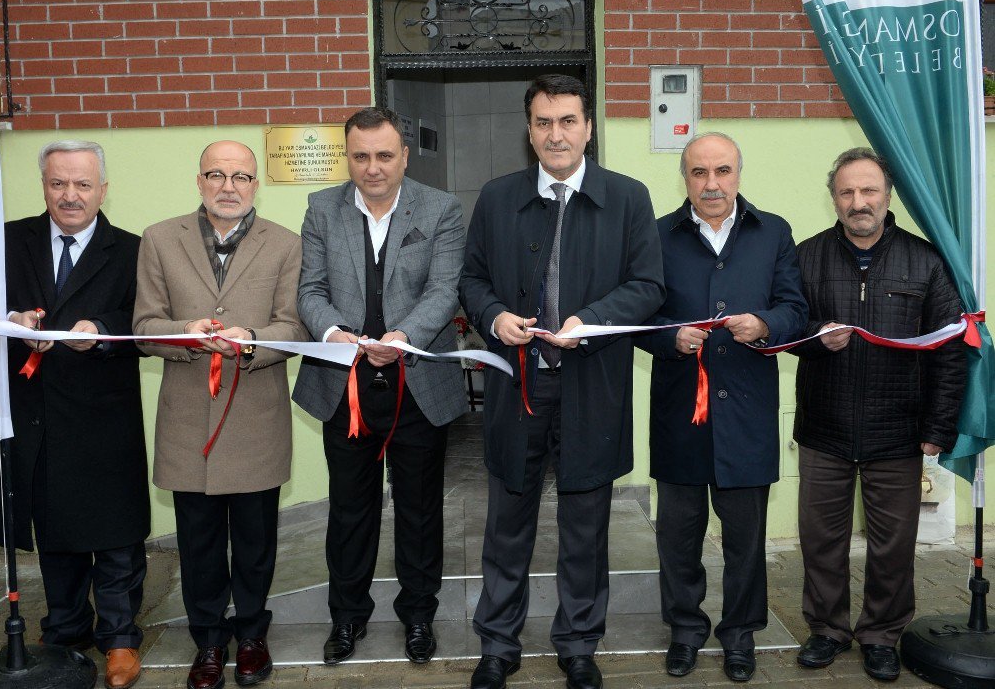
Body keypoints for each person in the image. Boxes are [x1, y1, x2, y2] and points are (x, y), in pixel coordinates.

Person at [459, 74, 665, 689]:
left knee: (585, 525)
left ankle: (578, 643)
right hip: (516, 383)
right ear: (529, 131)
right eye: (544, 122)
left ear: (589, 127)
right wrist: (494, 316)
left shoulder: (627, 198)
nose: (556, 134)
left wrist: (595, 321)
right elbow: (470, 281)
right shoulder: (497, 198)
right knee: (507, 522)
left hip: (591, 384)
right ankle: (498, 644)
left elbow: (649, 285)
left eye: (568, 120)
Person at [292, 107, 466, 665]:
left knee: (419, 510)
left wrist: (405, 334)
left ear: (404, 156)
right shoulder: (322, 208)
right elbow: (310, 289)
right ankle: (347, 617)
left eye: (384, 155)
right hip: (345, 386)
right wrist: (331, 331)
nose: (372, 168)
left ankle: (419, 615)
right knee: (349, 510)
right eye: (361, 156)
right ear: (348, 156)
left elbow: (446, 290)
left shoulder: (441, 209)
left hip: (417, 383)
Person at [133, 140, 306, 689]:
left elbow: (295, 329)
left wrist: (250, 339)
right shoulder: (160, 239)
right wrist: (186, 335)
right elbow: (143, 325)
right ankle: (208, 642)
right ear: (199, 180)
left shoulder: (286, 245)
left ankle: (252, 635)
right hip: (188, 421)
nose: (228, 186)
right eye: (216, 175)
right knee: (200, 543)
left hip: (255, 417)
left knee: (256, 542)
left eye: (240, 176)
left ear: (256, 184)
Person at [636, 132, 807, 683]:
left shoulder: (773, 231)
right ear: (684, 177)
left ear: (739, 174)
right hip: (681, 414)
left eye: (723, 172)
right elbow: (641, 317)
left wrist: (765, 326)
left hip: (748, 413)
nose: (712, 184)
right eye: (699, 173)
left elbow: (795, 308)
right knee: (678, 537)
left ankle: (739, 635)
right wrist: (669, 339)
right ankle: (685, 630)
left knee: (745, 539)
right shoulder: (657, 235)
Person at [791, 148, 966, 682]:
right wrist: (816, 340)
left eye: (869, 191)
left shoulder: (926, 260)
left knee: (894, 546)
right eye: (847, 192)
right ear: (834, 197)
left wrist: (937, 429)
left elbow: (950, 350)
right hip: (825, 427)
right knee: (821, 539)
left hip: (899, 430)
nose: (858, 202)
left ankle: (882, 635)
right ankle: (826, 630)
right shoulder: (806, 257)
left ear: (888, 197)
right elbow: (786, 331)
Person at [0, 140, 149, 689]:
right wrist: (11, 319)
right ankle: (63, 631)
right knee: (55, 531)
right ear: (43, 185)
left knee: (114, 538)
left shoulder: (132, 249)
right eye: (58, 183)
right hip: (35, 415)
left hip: (104, 417)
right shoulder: (9, 239)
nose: (70, 195)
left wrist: (104, 330)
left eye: (83, 184)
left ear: (103, 190)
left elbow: (147, 324)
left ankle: (120, 640)